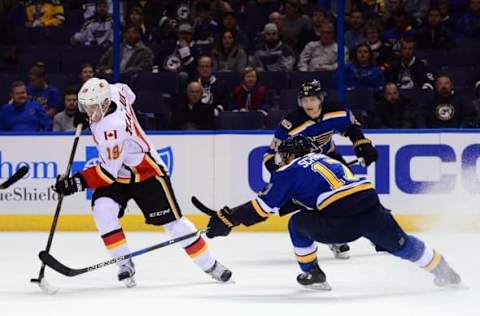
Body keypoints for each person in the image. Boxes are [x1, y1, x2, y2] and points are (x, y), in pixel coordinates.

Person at [199, 134, 462, 290]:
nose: (280, 160)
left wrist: (227, 219)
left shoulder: (288, 171)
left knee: (298, 224)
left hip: (341, 221)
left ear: (290, 155)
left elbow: (263, 209)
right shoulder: (329, 161)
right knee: (402, 245)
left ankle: (312, 273)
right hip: (371, 206)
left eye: (283, 155)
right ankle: (444, 271)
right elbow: (310, 196)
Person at [52, 78, 232, 287]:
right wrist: (88, 117)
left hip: (145, 172)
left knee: (174, 223)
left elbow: (106, 174)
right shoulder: (113, 91)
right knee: (103, 209)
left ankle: (210, 265)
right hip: (120, 172)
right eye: (86, 106)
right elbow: (129, 93)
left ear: (103, 103)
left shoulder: (112, 129)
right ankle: (124, 263)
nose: (87, 111)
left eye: (91, 107)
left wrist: (75, 183)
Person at [263, 79, 378, 259]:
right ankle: (335, 238)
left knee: (354, 195)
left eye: (313, 99)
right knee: (319, 202)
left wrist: (363, 146)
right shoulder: (290, 123)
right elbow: (270, 156)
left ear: (321, 99)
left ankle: (377, 232)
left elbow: (351, 127)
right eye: (305, 100)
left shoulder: (337, 111)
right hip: (304, 168)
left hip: (330, 159)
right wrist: (283, 177)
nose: (309, 104)